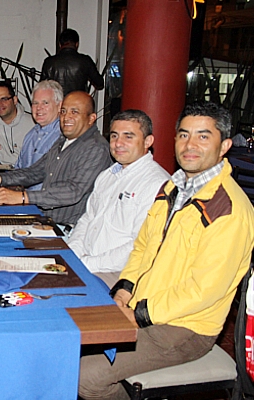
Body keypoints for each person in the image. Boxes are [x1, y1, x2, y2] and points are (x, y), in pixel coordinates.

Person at [79, 102, 254, 400]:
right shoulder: (173, 188)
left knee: (85, 377)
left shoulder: (228, 209)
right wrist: (124, 289)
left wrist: (140, 314)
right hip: (145, 303)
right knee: (68, 337)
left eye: (203, 136)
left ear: (224, 145)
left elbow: (203, 290)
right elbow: (142, 247)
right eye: (184, 135)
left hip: (185, 326)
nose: (190, 145)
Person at [67, 110, 170, 287]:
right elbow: (88, 219)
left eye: (128, 137)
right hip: (87, 262)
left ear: (148, 141)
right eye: (114, 136)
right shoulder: (108, 175)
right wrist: (72, 254)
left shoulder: (157, 183)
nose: (118, 143)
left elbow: (139, 246)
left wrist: (85, 264)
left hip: (119, 274)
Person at [0, 91, 111, 228]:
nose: (66, 117)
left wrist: (23, 197)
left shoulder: (96, 148)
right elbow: (35, 172)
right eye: (63, 111)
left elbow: (73, 191)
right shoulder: (64, 141)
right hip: (44, 219)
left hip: (67, 228)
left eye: (74, 112)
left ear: (91, 118)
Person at [13, 80, 63, 191]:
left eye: (45, 103)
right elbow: (18, 170)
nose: (39, 108)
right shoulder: (31, 134)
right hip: (24, 197)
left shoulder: (62, 137)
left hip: (46, 199)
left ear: (59, 106)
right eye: (35, 103)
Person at [41, 28, 105, 95]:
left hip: (57, 101)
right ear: (77, 44)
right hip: (78, 100)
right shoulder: (85, 61)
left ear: (60, 44)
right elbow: (100, 83)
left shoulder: (49, 62)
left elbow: (42, 88)